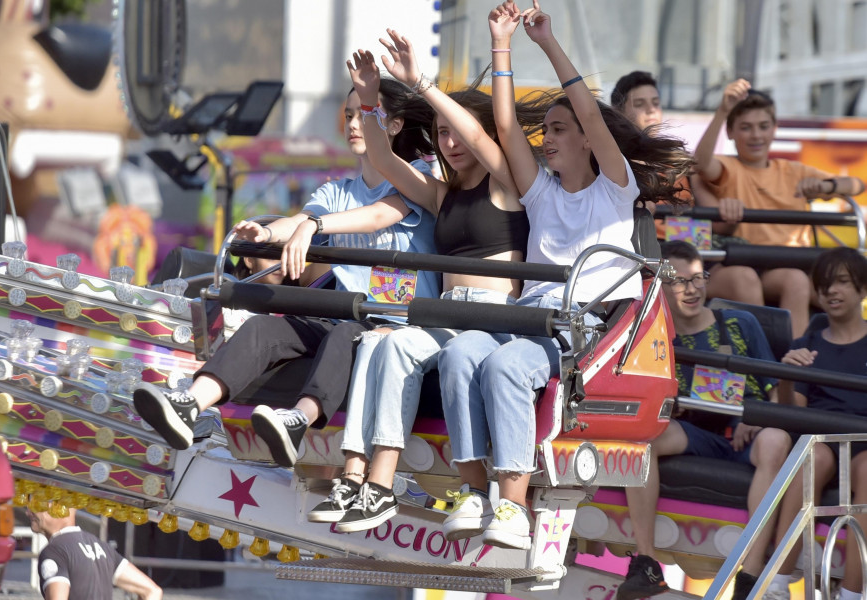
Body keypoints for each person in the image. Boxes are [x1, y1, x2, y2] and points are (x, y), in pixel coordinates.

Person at [435, 0, 693, 551]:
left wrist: (547, 43)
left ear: (583, 139)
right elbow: (505, 126)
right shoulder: (541, 193)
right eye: (546, 129)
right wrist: (500, 43)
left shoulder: (615, 189)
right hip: (526, 319)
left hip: (581, 334)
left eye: (557, 129)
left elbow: (594, 115)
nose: (546, 138)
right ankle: (473, 492)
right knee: (458, 354)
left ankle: (510, 502)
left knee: (505, 364)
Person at [133, 79, 440, 467]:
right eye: (348, 116)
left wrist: (314, 228)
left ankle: (299, 421)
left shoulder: (419, 176)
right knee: (266, 327)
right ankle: (191, 404)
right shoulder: (338, 191)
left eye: (365, 114)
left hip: (397, 326)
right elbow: (299, 219)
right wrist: (265, 233)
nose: (353, 124)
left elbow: (378, 215)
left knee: (348, 334)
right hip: (345, 312)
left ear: (395, 125)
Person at [306, 32, 533, 533]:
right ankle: (367, 482)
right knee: (382, 343)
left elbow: (481, 135)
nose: (449, 144)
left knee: (410, 347)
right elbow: (386, 162)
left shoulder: (507, 184)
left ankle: (404, 488)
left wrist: (422, 83)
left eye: (454, 132)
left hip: (493, 320)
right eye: (439, 135)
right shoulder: (440, 196)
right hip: (448, 316)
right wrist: (368, 101)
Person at [616, 241, 791, 600]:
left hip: (750, 430)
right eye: (680, 282)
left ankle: (751, 574)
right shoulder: (656, 339)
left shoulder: (741, 323)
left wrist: (757, 417)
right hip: (697, 432)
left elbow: (774, 389)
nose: (692, 290)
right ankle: (646, 562)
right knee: (640, 441)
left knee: (776, 440)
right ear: (661, 287)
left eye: (698, 279)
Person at [694, 79, 866, 337]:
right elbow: (701, 163)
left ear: (774, 129)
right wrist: (722, 111)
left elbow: (856, 184)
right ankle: (768, 359)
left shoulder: (792, 171)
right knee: (768, 279)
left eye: (763, 127)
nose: (756, 135)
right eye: (746, 128)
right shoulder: (729, 168)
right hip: (749, 263)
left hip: (791, 263)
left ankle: (798, 361)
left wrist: (826, 186)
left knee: (801, 279)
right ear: (730, 133)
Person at [611, 71, 764, 306]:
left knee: (744, 278)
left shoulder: (677, 161)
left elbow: (718, 221)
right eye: (640, 104)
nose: (651, 110)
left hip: (696, 252)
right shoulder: (614, 164)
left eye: (656, 103)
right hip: (650, 256)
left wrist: (728, 208)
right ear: (618, 113)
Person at [767, 247, 867, 600]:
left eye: (841, 282)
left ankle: (853, 592)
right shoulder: (807, 343)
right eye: (824, 285)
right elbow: (790, 409)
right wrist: (786, 376)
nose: (831, 292)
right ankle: (777, 581)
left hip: (864, 444)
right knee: (815, 458)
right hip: (820, 437)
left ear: (862, 289)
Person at [27, 504, 162, 600]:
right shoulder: (100, 546)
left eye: (37, 503)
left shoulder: (54, 551)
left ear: (59, 506)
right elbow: (152, 591)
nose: (29, 512)